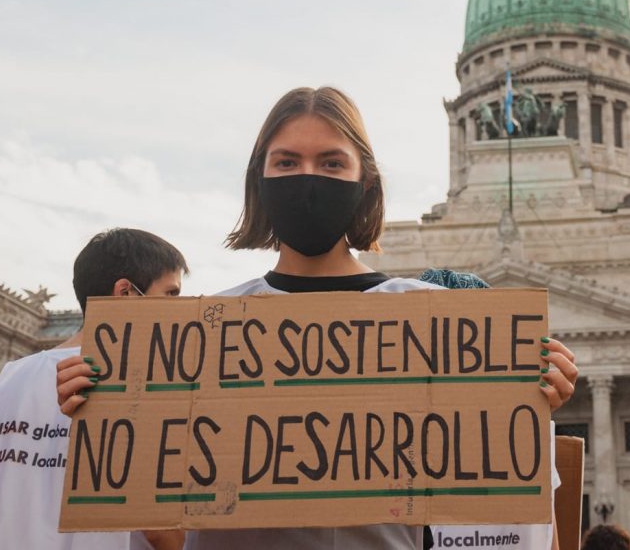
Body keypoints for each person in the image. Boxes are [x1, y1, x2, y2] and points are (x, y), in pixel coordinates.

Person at [57, 87, 580, 550]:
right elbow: (160, 531)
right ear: (259, 179)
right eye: (286, 163)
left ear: (365, 181)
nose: (307, 180)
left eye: (331, 163)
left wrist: (522, 394)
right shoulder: (203, 330)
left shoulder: (433, 318)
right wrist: (103, 401)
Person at [0, 228, 188, 550]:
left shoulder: (11, 377)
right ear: (126, 293)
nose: (178, 313)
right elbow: (161, 532)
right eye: (171, 295)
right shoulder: (142, 386)